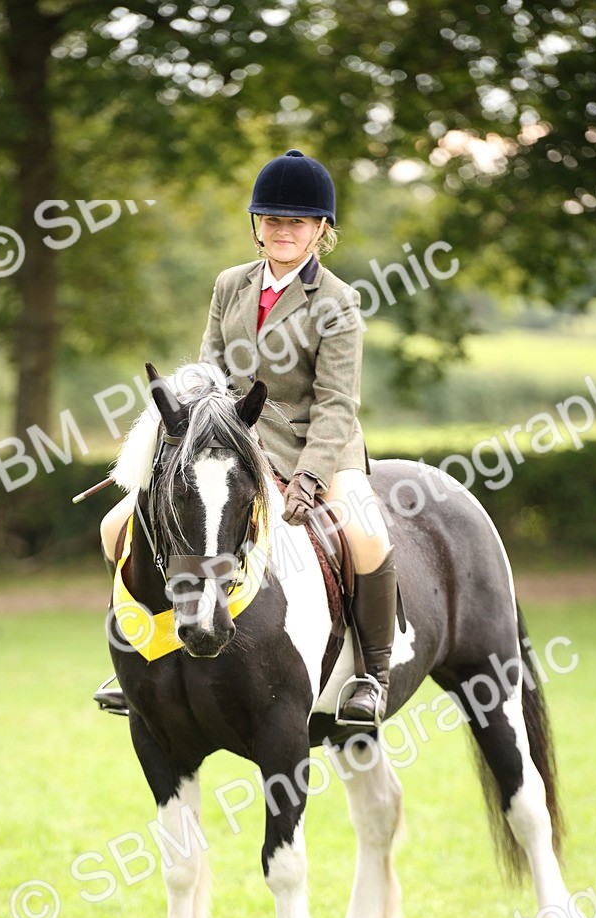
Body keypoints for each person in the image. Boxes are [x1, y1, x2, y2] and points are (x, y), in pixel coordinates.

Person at [97, 148, 397, 725]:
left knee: (365, 534)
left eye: (298, 222)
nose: (284, 230)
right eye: (273, 219)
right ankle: (143, 646)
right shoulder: (230, 284)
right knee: (116, 526)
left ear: (321, 229)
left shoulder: (337, 300)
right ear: (257, 225)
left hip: (315, 446)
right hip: (231, 444)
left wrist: (311, 475)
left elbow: (336, 403)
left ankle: (372, 676)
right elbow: (208, 373)